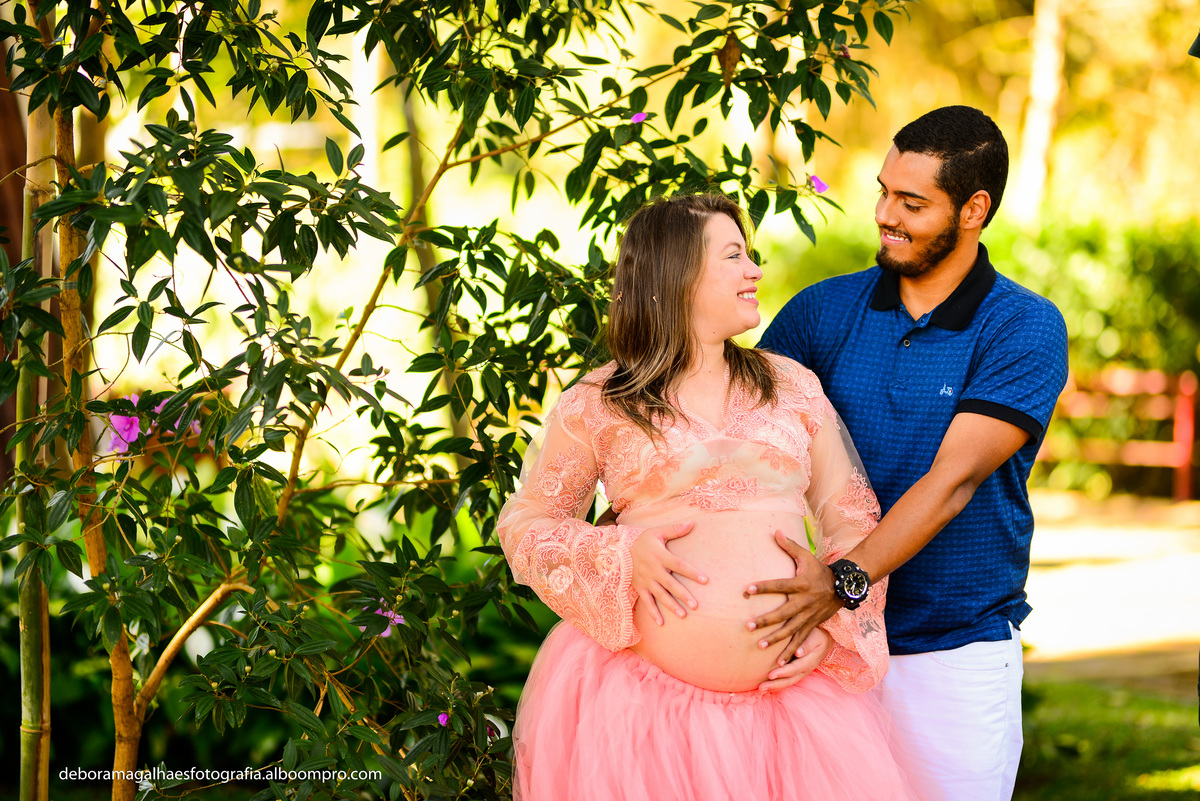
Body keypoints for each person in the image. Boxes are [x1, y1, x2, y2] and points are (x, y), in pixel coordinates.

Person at [497, 193, 917, 800]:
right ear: (678, 275)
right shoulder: (599, 403)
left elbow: (855, 522)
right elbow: (528, 522)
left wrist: (832, 627)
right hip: (637, 713)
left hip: (792, 718)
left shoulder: (792, 387)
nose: (755, 271)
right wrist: (622, 554)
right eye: (734, 256)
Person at [749, 105, 1069, 801]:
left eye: (912, 203)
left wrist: (839, 583)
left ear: (973, 210)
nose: (884, 215)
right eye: (884, 192)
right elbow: (738, 437)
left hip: (952, 656)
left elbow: (952, 483)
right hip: (825, 646)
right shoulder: (821, 312)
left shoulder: (1022, 326)